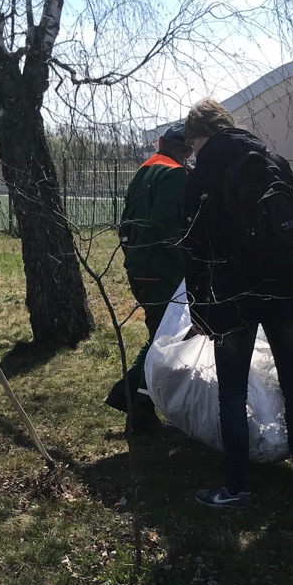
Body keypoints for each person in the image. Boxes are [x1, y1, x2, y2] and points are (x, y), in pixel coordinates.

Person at [181, 99, 293, 507]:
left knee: (232, 392)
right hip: (284, 288)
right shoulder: (272, 161)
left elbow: (193, 248)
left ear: (200, 136)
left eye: (192, 143)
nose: (192, 151)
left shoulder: (203, 177)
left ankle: (236, 488)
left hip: (232, 297)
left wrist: (199, 307)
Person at [104, 122, 189, 434]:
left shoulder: (145, 169)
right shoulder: (176, 174)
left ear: (160, 142)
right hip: (161, 269)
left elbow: (127, 221)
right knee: (165, 338)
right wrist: (186, 266)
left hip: (140, 266)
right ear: (187, 149)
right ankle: (131, 397)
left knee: (160, 335)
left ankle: (138, 409)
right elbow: (166, 227)